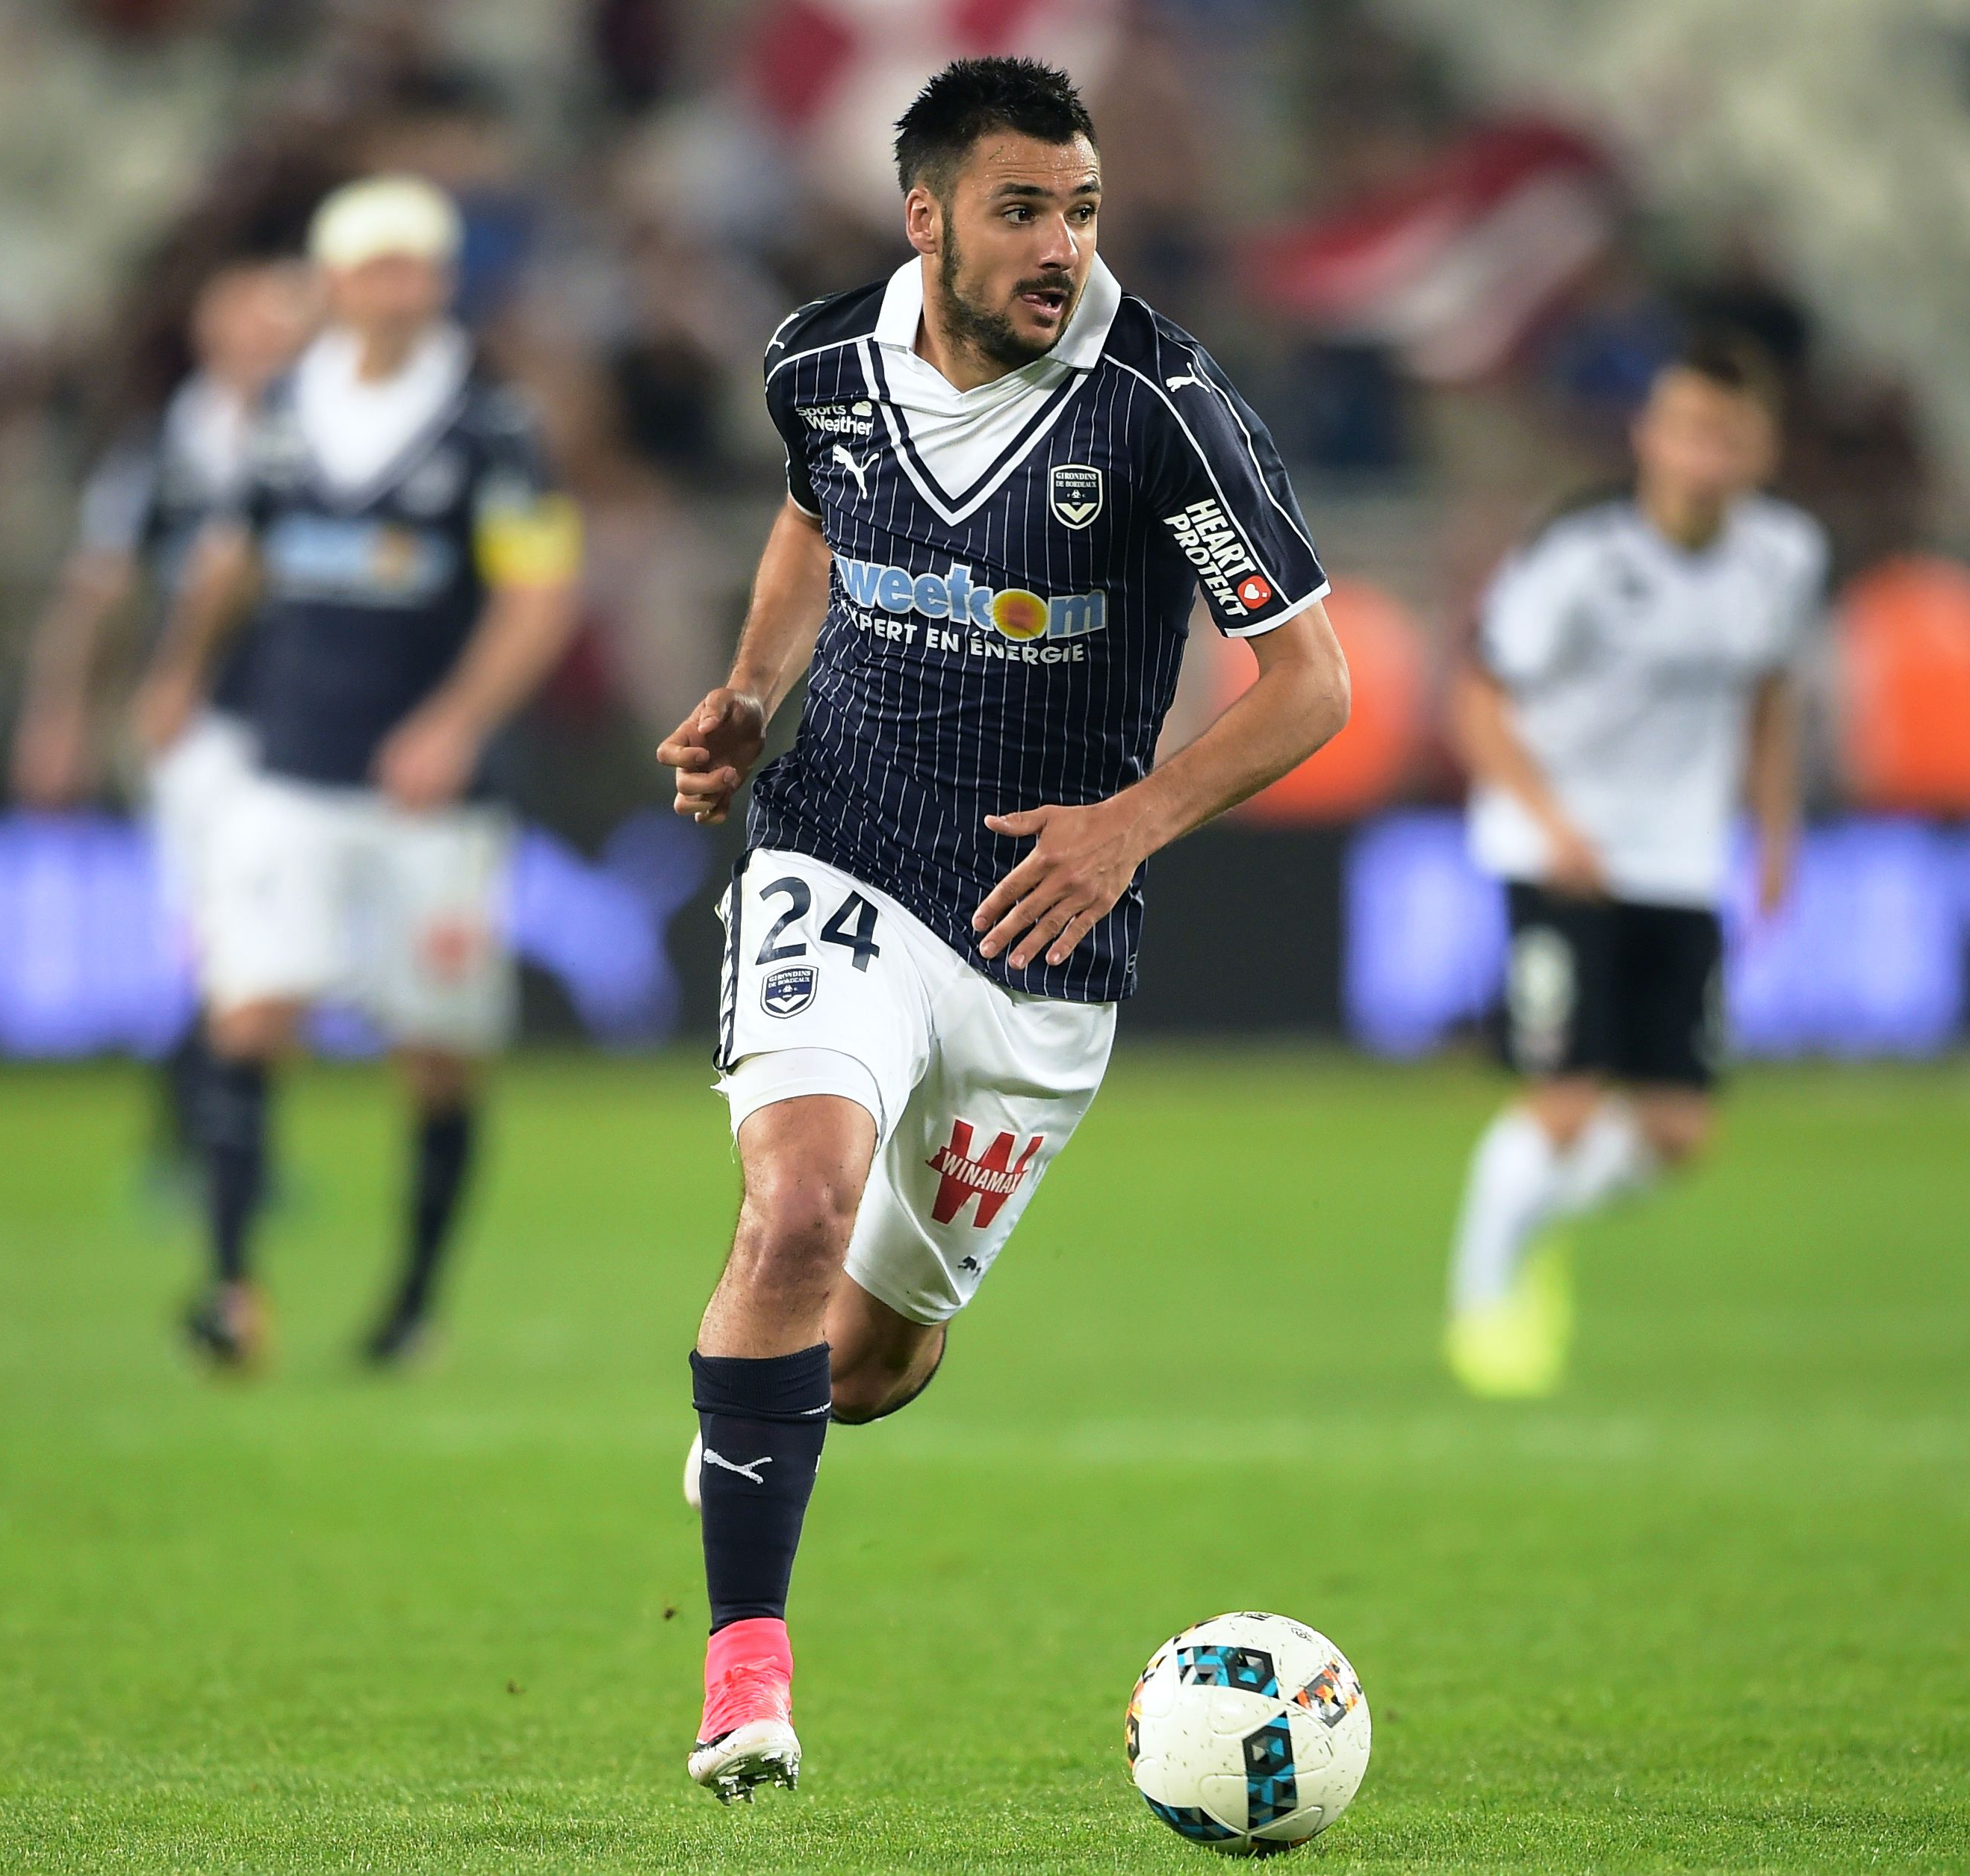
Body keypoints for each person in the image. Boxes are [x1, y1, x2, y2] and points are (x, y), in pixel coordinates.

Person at [653, 57, 1349, 1802]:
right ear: (930, 217)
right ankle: (747, 1671)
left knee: (874, 1360)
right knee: (795, 1201)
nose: (1060, 247)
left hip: (1047, 931)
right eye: (1022, 210)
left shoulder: (1157, 404)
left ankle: (761, 1419)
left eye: (1083, 210)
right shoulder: (818, 361)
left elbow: (1309, 681)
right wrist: (750, 692)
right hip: (841, 850)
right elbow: (812, 519)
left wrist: (1131, 823)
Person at [133, 174, 582, 1372]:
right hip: (291, 764)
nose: (401, 287)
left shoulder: (494, 424)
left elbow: (541, 595)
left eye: (419, 265)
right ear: (334, 282)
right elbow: (235, 554)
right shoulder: (283, 409)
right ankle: (232, 1291)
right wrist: (180, 668)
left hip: (434, 800)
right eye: (378, 265)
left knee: (437, 1054)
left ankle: (412, 1303)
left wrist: (456, 721)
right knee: (250, 1010)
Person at [1441, 335, 1824, 1400]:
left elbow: (1771, 696)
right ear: (1651, 437)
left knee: (1677, 1135)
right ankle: (1484, 1305)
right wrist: (1550, 821)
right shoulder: (1577, 554)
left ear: (1762, 452)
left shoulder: (1784, 558)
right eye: (1692, 429)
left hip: (1683, 862)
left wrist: (1777, 836)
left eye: (1732, 436)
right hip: (1556, 857)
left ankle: (1536, 1214)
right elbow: (1476, 698)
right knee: (1561, 1102)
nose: (1707, 454)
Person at [11, 249, 315, 1190]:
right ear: (212, 332)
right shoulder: (160, 453)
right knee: (225, 931)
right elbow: (97, 593)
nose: (278, 340)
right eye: (260, 321)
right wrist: (58, 714)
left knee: (278, 939)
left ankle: (222, 1144)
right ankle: (204, 1145)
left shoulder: (321, 441)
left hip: (305, 723)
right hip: (198, 728)